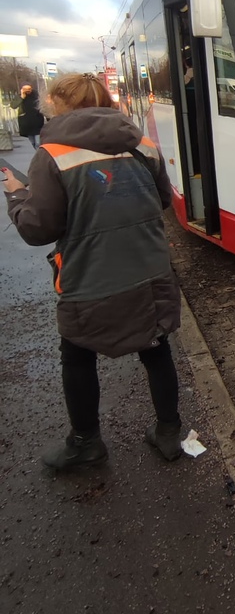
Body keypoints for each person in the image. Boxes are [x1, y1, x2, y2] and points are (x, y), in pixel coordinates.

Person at [2, 73, 184, 470]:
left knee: (78, 356)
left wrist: (16, 194)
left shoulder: (51, 155)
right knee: (156, 350)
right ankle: (169, 433)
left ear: (58, 105)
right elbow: (164, 201)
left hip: (90, 279)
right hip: (150, 272)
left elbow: (38, 229)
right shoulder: (143, 144)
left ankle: (86, 443)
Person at [12, 83, 45, 148]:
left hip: (37, 122)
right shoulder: (19, 97)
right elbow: (13, 105)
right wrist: (21, 97)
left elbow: (43, 107)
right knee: (31, 143)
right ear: (22, 90)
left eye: (29, 89)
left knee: (38, 143)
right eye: (25, 89)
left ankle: (38, 156)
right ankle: (36, 155)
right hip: (26, 124)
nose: (27, 91)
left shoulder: (37, 96)